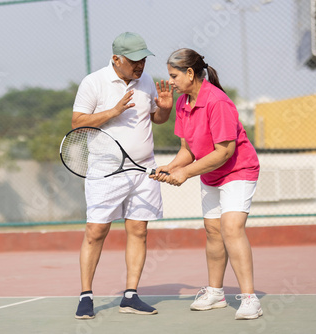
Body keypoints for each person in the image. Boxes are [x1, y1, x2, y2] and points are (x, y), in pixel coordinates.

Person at [151, 48, 262, 320]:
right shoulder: (182, 104)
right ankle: (215, 292)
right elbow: (188, 149)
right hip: (211, 173)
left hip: (238, 169)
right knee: (213, 230)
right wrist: (172, 166)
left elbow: (224, 151)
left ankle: (250, 299)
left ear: (190, 73)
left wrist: (185, 173)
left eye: (174, 76)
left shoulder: (218, 102)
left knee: (230, 228)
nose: (171, 82)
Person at [72, 32, 173, 319]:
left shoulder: (148, 80)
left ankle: (130, 296)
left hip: (143, 170)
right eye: (133, 60)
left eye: (143, 59)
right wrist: (112, 111)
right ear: (116, 59)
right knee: (95, 232)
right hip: (105, 171)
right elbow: (77, 122)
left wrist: (165, 109)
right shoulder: (93, 82)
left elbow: (156, 118)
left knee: (139, 231)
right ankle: (86, 296)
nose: (139, 65)